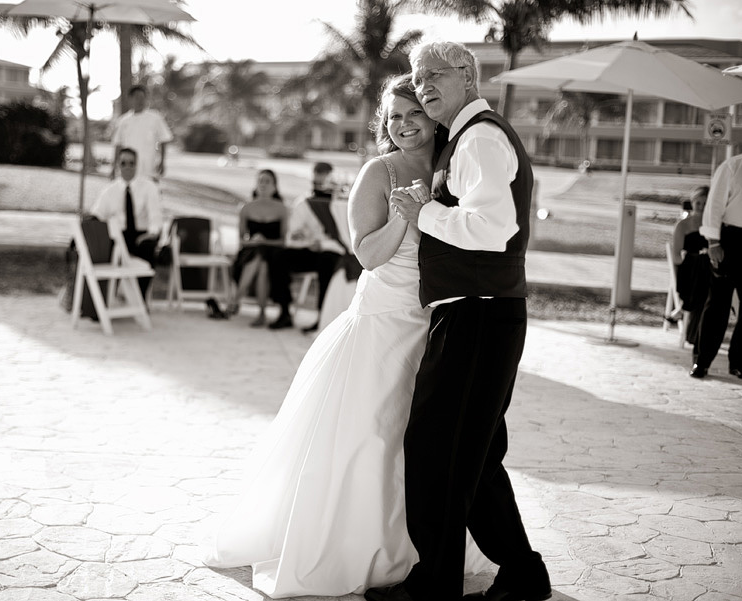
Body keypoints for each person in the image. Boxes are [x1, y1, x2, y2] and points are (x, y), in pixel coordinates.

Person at [202, 74, 488, 598]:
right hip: (381, 324)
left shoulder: (452, 167)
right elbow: (367, 255)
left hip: (434, 325)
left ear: (434, 116)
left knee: (422, 443)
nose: (403, 125)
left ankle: (427, 549)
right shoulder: (377, 173)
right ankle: (356, 546)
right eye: (394, 116)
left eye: (415, 114)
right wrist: (407, 217)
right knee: (370, 436)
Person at [369, 41, 551, 601]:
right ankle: (522, 573)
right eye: (417, 76)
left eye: (435, 74)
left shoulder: (481, 138)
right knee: (473, 454)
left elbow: (492, 226)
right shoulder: (466, 138)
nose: (422, 84)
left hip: (479, 315)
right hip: (479, 315)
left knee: (436, 448)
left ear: (469, 75)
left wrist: (422, 212)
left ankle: (436, 583)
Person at [266, 162, 346, 332]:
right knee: (279, 256)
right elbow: (292, 235)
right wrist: (308, 241)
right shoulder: (304, 203)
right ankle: (284, 309)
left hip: (333, 252)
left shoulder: (342, 204)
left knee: (327, 263)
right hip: (309, 250)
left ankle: (323, 317)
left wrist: (323, 244)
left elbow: (346, 238)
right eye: (317, 179)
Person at [689, 153, 742, 379]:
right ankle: (702, 361)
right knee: (718, 303)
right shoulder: (733, 166)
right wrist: (713, 242)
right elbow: (714, 205)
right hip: (730, 239)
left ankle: (739, 362)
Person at [88, 147, 162, 299]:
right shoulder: (110, 190)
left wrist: (152, 234)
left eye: (131, 163)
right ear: (118, 165)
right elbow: (97, 214)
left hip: (142, 234)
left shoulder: (149, 187)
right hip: (119, 235)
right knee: (107, 252)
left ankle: (139, 299)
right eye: (123, 163)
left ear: (137, 165)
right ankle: (104, 300)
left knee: (148, 249)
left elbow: (155, 216)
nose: (127, 167)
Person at [225, 169, 288, 327]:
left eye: (267, 181)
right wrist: (253, 241)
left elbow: (283, 241)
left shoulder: (281, 209)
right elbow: (241, 241)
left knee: (264, 261)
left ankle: (235, 300)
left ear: (275, 186)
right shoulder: (246, 208)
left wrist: (265, 241)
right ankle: (261, 313)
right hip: (249, 251)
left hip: (273, 252)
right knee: (260, 262)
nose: (263, 184)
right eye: (261, 181)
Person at [110, 84, 173, 183]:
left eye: (143, 97)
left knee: (150, 195)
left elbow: (164, 140)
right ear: (130, 99)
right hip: (129, 170)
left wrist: (162, 161)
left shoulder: (155, 118)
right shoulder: (123, 121)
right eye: (137, 97)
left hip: (149, 169)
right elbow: (118, 145)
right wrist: (113, 167)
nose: (140, 100)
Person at [672, 186, 710, 346]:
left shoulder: (713, 225)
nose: (701, 207)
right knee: (696, 263)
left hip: (707, 270)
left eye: (705, 204)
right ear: (693, 203)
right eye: (698, 203)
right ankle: (685, 307)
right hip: (688, 270)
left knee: (704, 264)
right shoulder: (683, 225)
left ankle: (683, 307)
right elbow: (676, 255)